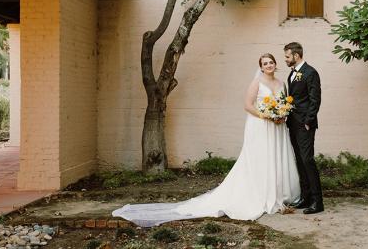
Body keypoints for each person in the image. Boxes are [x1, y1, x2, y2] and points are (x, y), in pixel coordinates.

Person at [112, 54, 300, 227]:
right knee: (260, 158)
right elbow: (247, 105)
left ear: (275, 65)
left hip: (277, 127)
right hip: (261, 125)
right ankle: (260, 193)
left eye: (271, 62)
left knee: (275, 157)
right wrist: (266, 115)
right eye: (265, 63)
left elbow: (284, 103)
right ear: (260, 67)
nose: (269, 65)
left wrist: (281, 114)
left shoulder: (282, 83)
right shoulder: (257, 83)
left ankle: (276, 192)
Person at [284, 42, 324, 214]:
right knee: (299, 160)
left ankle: (318, 201)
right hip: (292, 123)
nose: (285, 59)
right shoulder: (292, 74)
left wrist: (308, 120)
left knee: (307, 160)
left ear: (296, 55)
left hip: (305, 124)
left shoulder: (310, 72)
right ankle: (305, 197)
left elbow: (315, 99)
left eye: (287, 56)